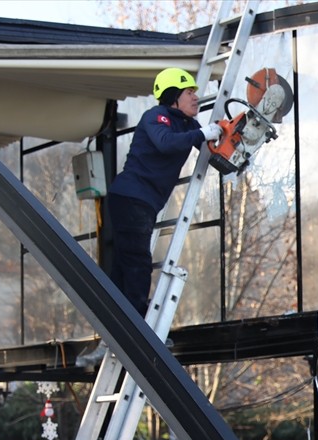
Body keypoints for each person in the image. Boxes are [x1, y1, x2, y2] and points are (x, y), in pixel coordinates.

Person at [78, 67, 221, 366]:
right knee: (137, 262)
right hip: (131, 197)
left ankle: (113, 334)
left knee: (123, 267)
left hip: (141, 201)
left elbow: (211, 148)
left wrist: (227, 133)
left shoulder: (185, 124)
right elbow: (166, 142)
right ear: (172, 98)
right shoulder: (158, 118)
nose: (196, 97)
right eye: (189, 93)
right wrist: (202, 133)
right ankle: (138, 329)